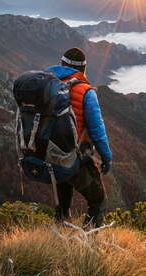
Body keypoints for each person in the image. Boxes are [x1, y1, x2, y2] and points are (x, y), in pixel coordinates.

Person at [46, 47, 112, 227]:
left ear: (61, 64)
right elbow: (97, 131)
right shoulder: (86, 91)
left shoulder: (47, 85)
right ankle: (87, 247)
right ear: (83, 69)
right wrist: (106, 157)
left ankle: (58, 238)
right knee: (98, 201)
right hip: (75, 157)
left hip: (50, 155)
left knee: (62, 202)